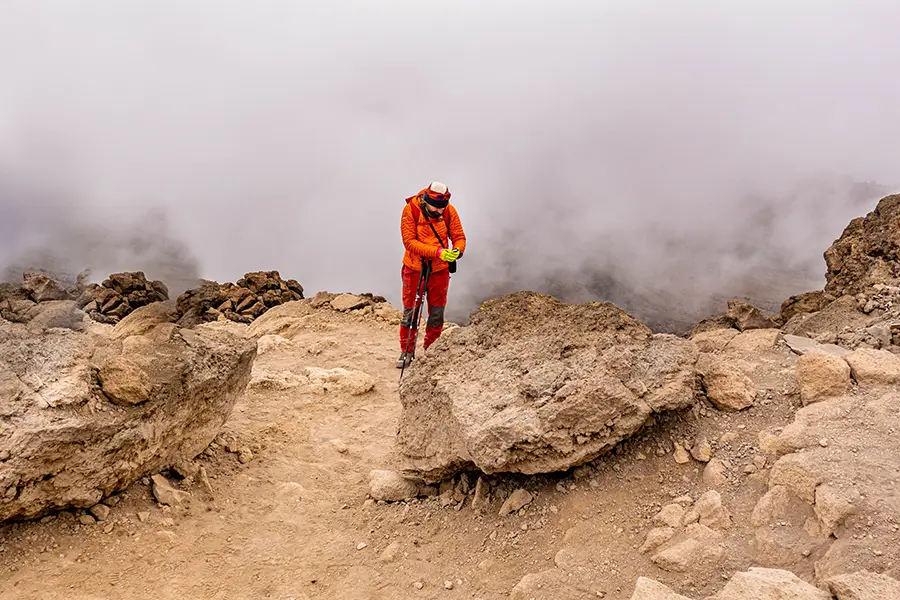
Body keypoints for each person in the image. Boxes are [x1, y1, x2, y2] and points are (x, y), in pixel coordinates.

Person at [397, 181, 467, 368]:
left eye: (441, 209)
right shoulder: (410, 211)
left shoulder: (448, 210)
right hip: (414, 268)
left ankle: (432, 351)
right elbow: (409, 243)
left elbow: (459, 236)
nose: (438, 212)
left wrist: (457, 251)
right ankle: (407, 351)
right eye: (435, 208)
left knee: (437, 312)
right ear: (426, 201)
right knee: (411, 312)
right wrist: (437, 252)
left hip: (439, 270)